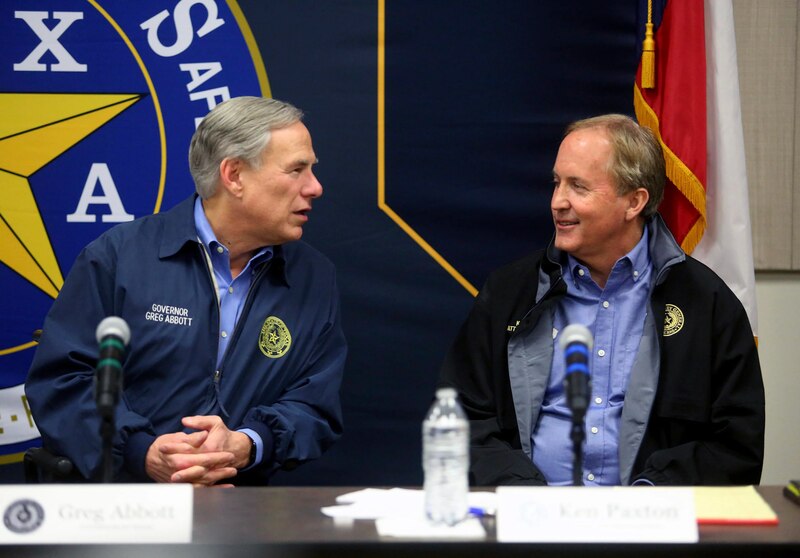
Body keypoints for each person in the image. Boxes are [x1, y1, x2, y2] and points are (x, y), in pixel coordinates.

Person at [25, 96, 346, 485]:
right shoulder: (119, 257)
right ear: (234, 175)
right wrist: (142, 451)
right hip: (123, 511)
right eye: (296, 170)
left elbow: (315, 405)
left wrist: (247, 443)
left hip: (241, 513)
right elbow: (62, 382)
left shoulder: (313, 277)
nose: (315, 187)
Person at [439, 114, 765, 486]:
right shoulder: (510, 292)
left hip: (652, 530)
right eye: (557, 183)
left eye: (578, 187)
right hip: (529, 525)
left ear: (634, 202)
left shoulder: (706, 302)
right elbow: (461, 418)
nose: (557, 202)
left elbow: (736, 445)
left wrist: (648, 498)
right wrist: (522, 492)